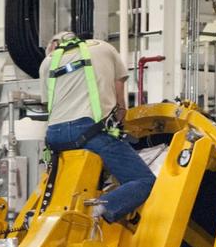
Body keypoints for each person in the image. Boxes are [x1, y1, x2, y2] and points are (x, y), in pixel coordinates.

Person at [39, 31, 155, 223]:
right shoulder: (104, 49)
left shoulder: (47, 63)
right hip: (90, 132)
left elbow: (48, 105)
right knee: (143, 181)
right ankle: (100, 208)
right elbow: (120, 105)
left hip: (55, 139)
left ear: (55, 45)